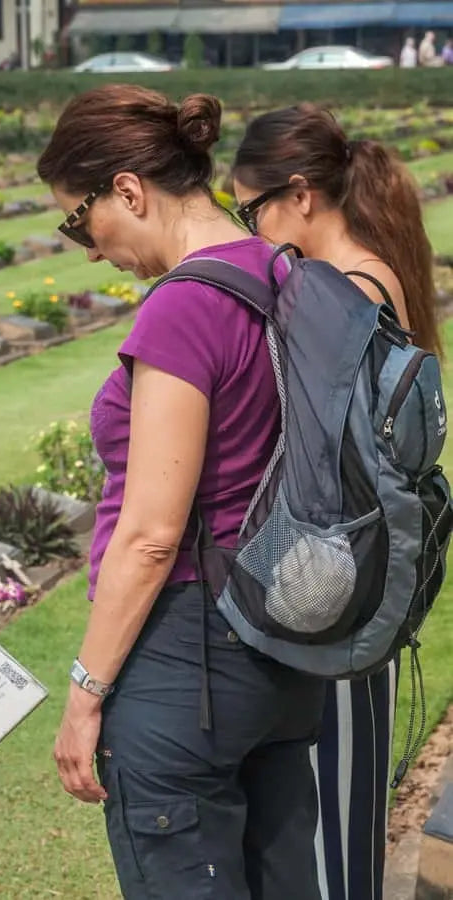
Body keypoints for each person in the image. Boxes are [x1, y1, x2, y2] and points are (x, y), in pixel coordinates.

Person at [37, 83, 326, 900]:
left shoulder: (185, 308)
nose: (88, 250)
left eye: (79, 221)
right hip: (282, 642)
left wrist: (85, 693)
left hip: (188, 660)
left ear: (128, 190)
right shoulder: (283, 270)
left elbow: (152, 534)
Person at [232, 103, 441, 900]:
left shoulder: (333, 294)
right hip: (364, 572)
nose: (253, 232)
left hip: (328, 581)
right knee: (346, 821)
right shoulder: (377, 273)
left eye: (252, 211)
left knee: (325, 830)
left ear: (299, 194)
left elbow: (313, 465)